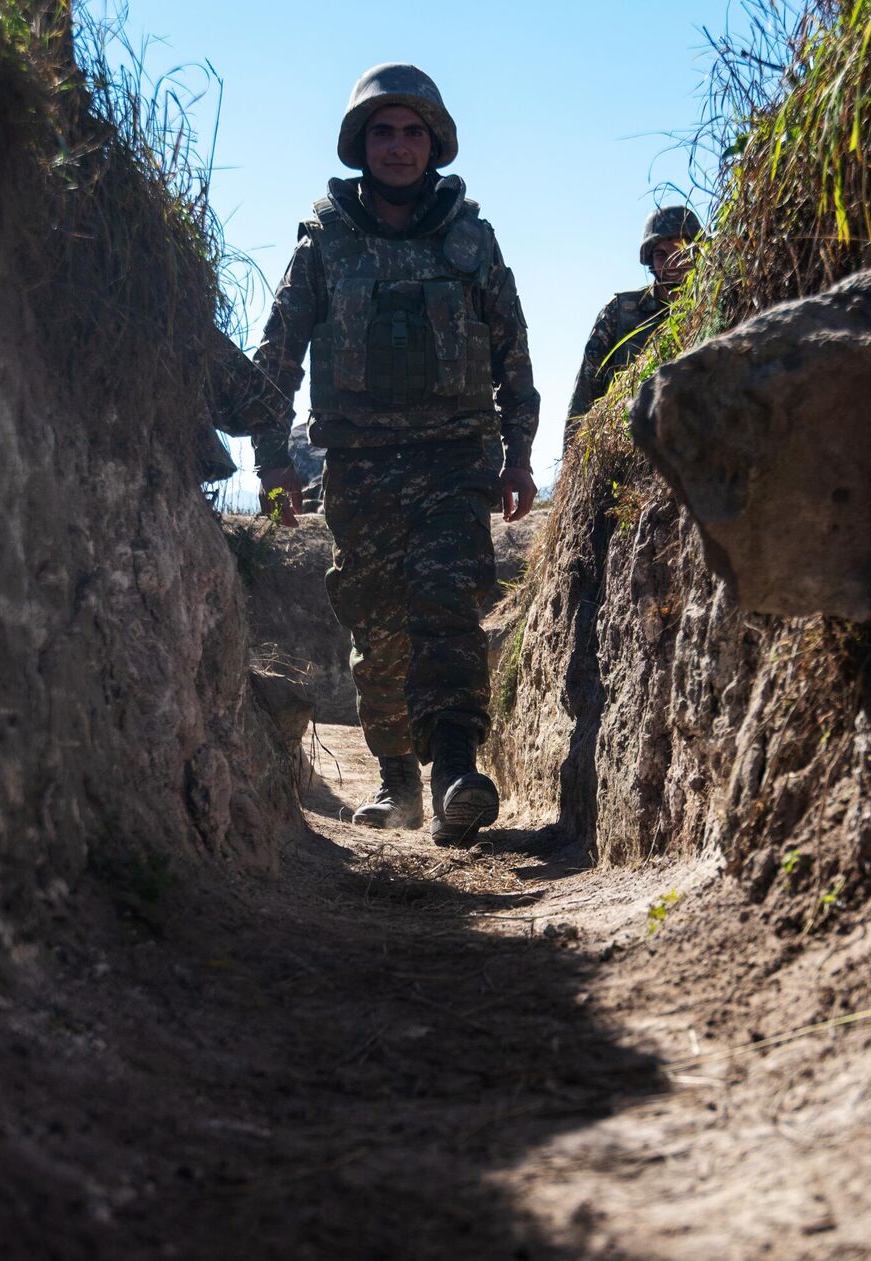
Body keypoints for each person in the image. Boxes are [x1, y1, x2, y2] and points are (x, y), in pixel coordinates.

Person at [249, 62, 539, 846]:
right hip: (360, 468)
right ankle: (397, 777)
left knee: (446, 604)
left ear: (435, 141)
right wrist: (273, 462)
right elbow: (276, 356)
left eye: (414, 132)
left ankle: (454, 771)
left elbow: (512, 354)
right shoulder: (324, 242)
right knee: (378, 628)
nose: (400, 147)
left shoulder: (471, 240)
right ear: (360, 143)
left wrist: (518, 456)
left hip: (454, 460)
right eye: (384, 131)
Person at [562, 204, 703, 444]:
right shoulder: (619, 311)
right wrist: (572, 467)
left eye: (681, 251)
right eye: (661, 254)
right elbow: (585, 394)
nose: (673, 262)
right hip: (628, 445)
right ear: (650, 260)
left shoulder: (712, 305)